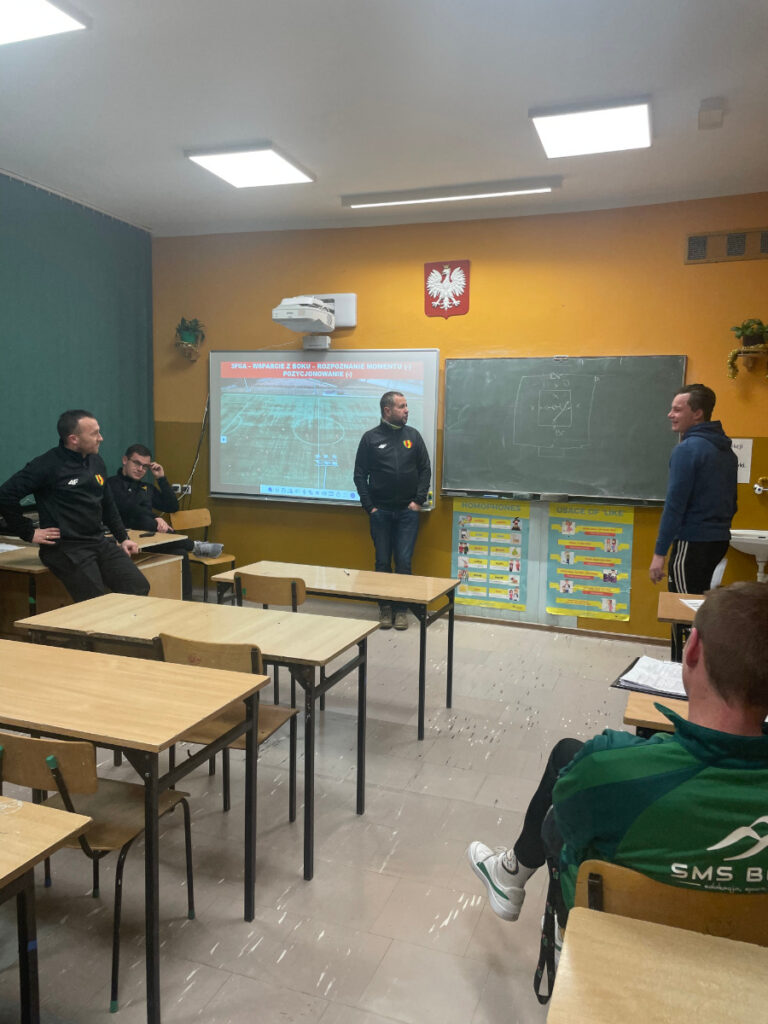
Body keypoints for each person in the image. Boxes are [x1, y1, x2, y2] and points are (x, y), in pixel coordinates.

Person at [467, 582, 768, 994]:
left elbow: (564, 826)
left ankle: (515, 877)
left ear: (692, 649)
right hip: (748, 976)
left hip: (616, 947)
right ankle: (510, 874)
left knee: (565, 798)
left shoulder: (611, 767)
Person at [0, 410, 149, 602]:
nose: (101, 438)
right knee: (95, 601)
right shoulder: (47, 465)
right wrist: (28, 532)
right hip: (65, 548)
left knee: (138, 586)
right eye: (94, 433)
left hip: (98, 541)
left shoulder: (96, 461)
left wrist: (123, 538)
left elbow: (107, 503)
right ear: (74, 439)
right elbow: (5, 495)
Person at [648, 384, 738, 660]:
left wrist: (659, 553)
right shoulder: (725, 451)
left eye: (677, 409)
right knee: (702, 611)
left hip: (692, 543)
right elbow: (732, 502)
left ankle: (682, 670)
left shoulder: (688, 450)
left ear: (697, 413)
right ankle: (703, 670)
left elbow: (675, 506)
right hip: (718, 540)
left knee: (683, 615)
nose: (670, 414)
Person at [353, 391, 431, 630]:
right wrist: (370, 507)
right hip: (381, 513)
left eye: (406, 406)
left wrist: (418, 501)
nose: (407, 410)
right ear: (387, 410)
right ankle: (385, 607)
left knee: (404, 562)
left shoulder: (413, 436)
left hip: (407, 512)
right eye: (401, 406)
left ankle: (401, 609)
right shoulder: (370, 438)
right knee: (382, 562)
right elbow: (359, 475)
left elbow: (425, 469)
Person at [106, 444, 222, 600]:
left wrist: (161, 478)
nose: (140, 469)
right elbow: (129, 507)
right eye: (136, 463)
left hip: (151, 539)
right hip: (127, 538)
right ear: (125, 460)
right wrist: (155, 517)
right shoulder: (112, 484)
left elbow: (172, 506)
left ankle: (186, 600)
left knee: (180, 553)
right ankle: (194, 546)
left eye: (145, 466)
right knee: (144, 520)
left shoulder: (146, 488)